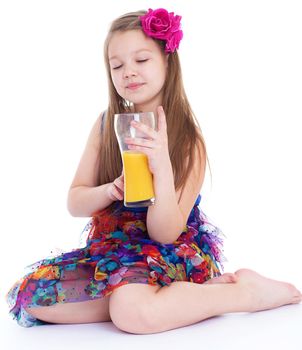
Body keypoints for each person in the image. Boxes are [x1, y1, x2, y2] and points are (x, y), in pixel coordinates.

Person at [6, 8, 301, 334]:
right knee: (30, 296)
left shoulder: (188, 140)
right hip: (115, 252)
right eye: (117, 65)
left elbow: (165, 233)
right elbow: (75, 202)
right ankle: (153, 298)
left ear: (167, 61)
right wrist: (108, 191)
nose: (128, 72)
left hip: (168, 251)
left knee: (132, 314)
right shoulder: (106, 125)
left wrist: (161, 166)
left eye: (141, 60)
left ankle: (240, 293)